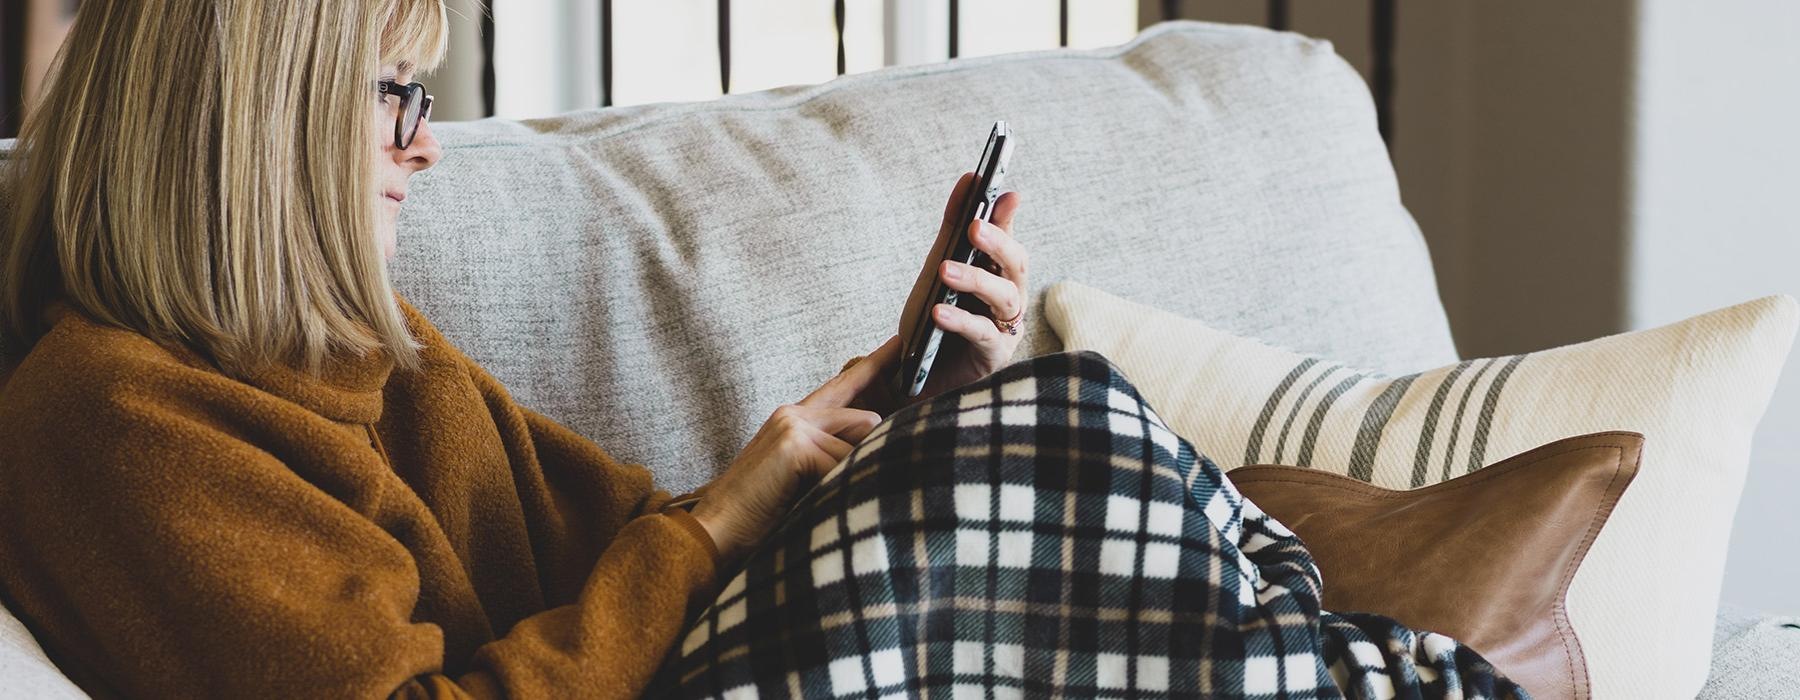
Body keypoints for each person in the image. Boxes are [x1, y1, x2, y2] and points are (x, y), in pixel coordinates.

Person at [0, 0, 1028, 697]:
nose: (425, 142)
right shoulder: (108, 419)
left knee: (1056, 432)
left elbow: (638, 552)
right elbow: (676, 556)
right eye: (388, 88)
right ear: (254, 116)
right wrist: (708, 530)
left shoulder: (373, 359)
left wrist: (911, 405)